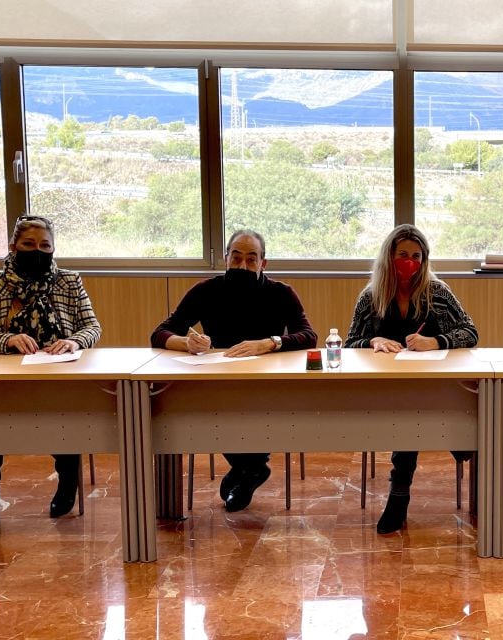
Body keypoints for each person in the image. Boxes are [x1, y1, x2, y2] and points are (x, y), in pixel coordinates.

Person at [151, 230, 317, 512]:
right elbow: (159, 334)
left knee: (254, 408)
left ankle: (247, 468)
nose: (242, 266)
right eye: (236, 258)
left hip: (267, 381)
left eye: (251, 260)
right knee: (206, 408)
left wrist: (269, 343)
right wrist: (187, 343)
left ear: (263, 263)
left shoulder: (280, 293)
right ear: (226, 258)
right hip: (218, 381)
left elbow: (309, 335)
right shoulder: (206, 290)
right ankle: (251, 468)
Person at [0, 215, 102, 531]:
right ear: (13, 247)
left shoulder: (69, 281)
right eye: (29, 244)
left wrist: (72, 341)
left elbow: (92, 327)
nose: (37, 251)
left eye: (44, 245)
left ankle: (68, 482)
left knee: (64, 418)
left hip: (57, 375)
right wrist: (6, 339)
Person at [345, 224, 479, 534]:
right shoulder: (371, 297)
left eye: (416, 256)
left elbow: (471, 333)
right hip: (387, 388)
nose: (409, 262)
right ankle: (405, 489)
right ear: (389, 257)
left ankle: (399, 495)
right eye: (402, 255)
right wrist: (373, 341)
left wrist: (437, 341)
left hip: (433, 383)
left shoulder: (437, 292)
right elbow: (350, 341)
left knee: (416, 411)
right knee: (410, 413)